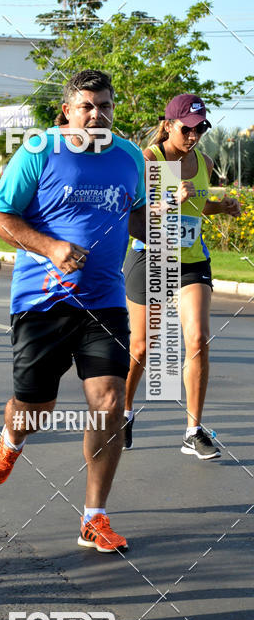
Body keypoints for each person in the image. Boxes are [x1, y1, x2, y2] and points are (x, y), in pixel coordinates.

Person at [0, 69, 146, 554]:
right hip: (42, 300)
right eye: (87, 106)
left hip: (104, 299)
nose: (97, 115)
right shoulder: (39, 150)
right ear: (67, 111)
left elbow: (135, 212)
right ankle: (12, 439)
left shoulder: (130, 156)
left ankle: (94, 516)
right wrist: (52, 247)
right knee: (37, 408)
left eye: (106, 106)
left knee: (110, 402)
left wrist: (161, 221)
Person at [123, 94, 241, 458]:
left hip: (191, 261)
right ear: (169, 124)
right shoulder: (150, 161)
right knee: (143, 346)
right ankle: (124, 412)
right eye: (187, 128)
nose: (194, 135)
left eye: (201, 127)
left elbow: (198, 202)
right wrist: (170, 200)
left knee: (198, 339)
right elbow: (132, 212)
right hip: (152, 257)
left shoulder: (202, 161)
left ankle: (193, 430)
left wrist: (221, 207)